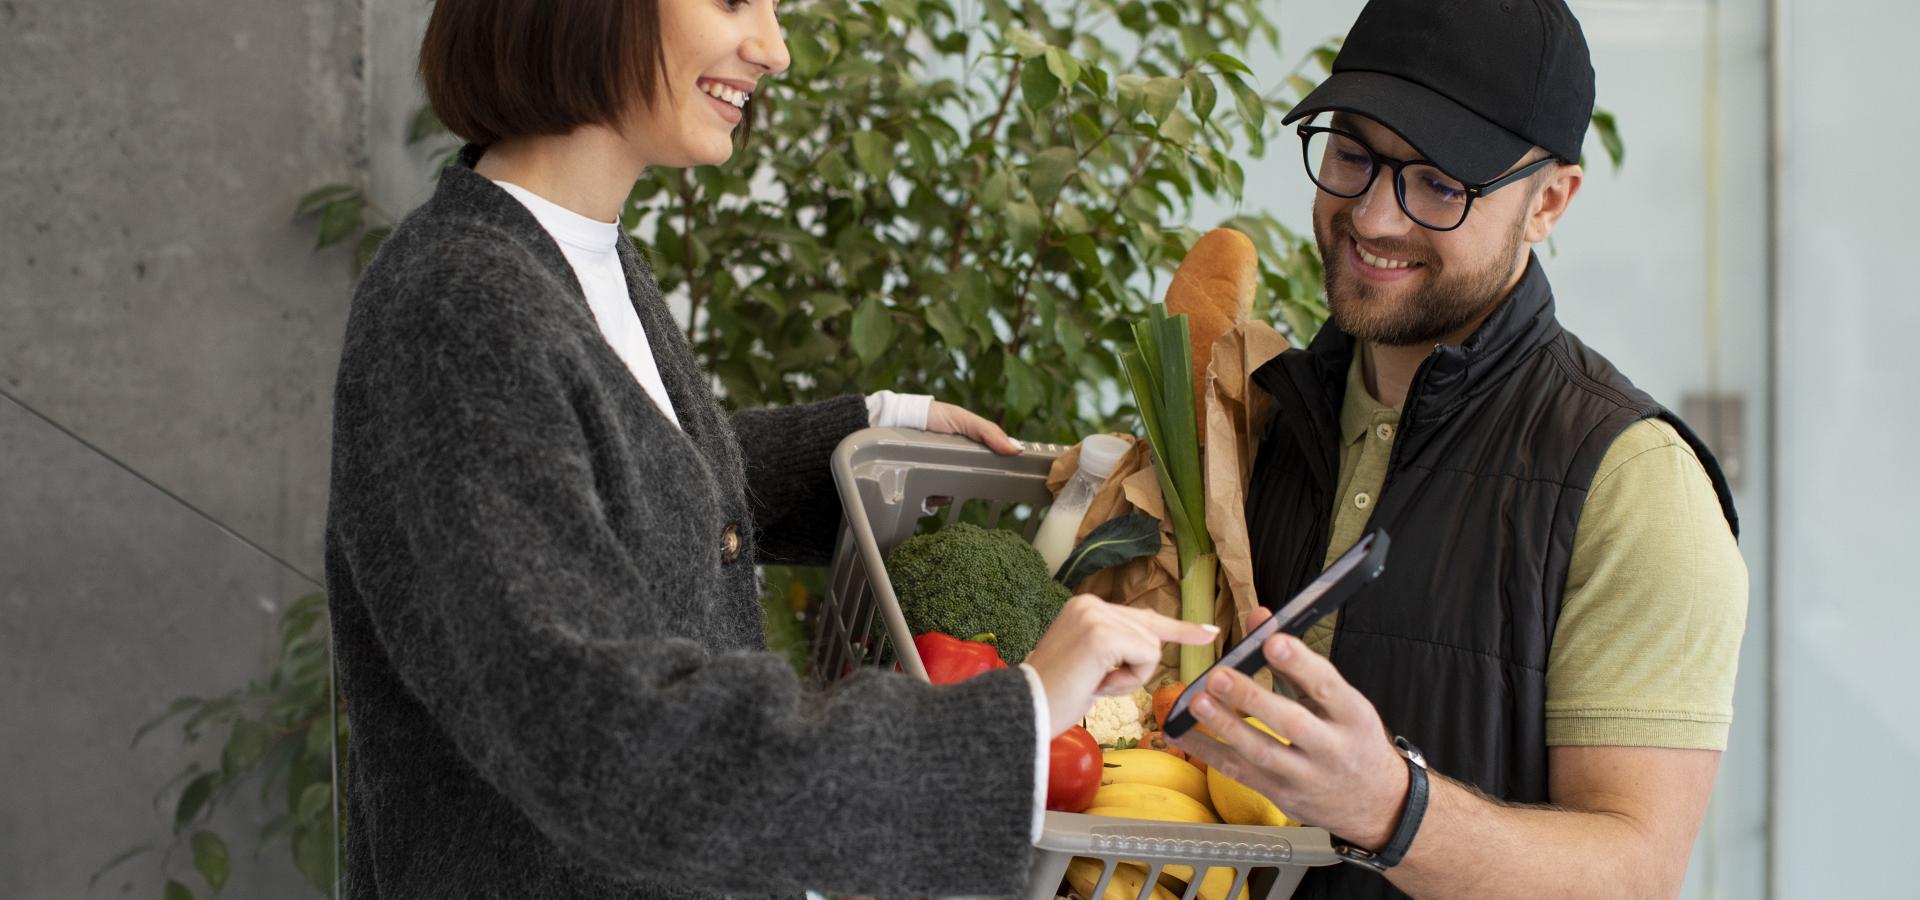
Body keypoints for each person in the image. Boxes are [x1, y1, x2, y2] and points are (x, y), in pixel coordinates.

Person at [323, 1, 1217, 897]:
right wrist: (1014, 722)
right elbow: (605, 742)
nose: (775, 50)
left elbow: (612, 481)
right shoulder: (462, 312)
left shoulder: (572, 253)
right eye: (733, 1)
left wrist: (862, 432)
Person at [1172, 1, 1748, 898]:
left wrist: (1392, 806)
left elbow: (1636, 874)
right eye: (1353, 154)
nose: (1371, 218)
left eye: (1439, 182)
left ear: (1548, 201)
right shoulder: (1262, 412)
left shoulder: (1634, 483)